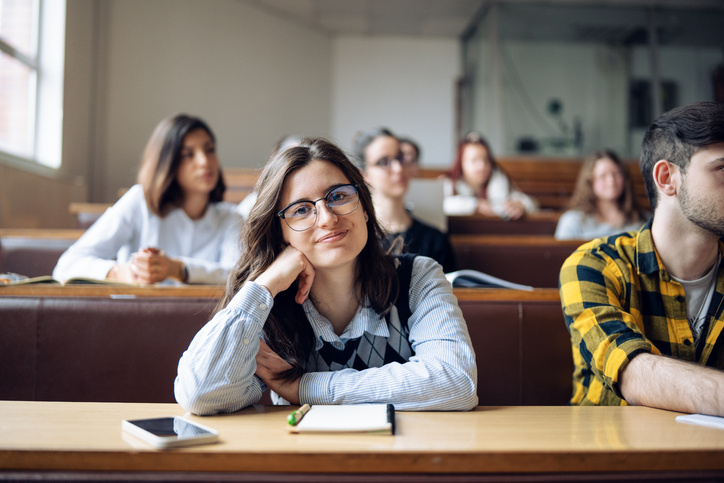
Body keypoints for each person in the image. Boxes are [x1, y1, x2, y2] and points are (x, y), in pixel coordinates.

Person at [175, 138, 478, 415]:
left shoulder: (418, 277)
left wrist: (304, 387)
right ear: (279, 233)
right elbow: (200, 394)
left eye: (338, 196)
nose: (328, 218)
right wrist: (266, 284)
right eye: (301, 210)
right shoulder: (270, 306)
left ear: (365, 209)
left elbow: (456, 381)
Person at [559, 102, 724, 416]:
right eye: (723, 168)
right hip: (614, 458)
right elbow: (634, 373)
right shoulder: (595, 265)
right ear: (666, 178)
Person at [53, 114, 242, 285]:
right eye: (188, 154)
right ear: (167, 162)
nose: (204, 161)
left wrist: (177, 269)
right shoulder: (140, 202)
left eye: (209, 150)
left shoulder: (232, 219)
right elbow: (68, 264)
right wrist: (121, 273)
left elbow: (238, 277)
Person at [352, 128, 456, 273]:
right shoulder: (355, 238)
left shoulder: (434, 239)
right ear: (363, 174)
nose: (398, 168)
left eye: (401, 157)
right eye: (384, 162)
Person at [554, 150, 648, 240]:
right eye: (603, 176)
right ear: (590, 182)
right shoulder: (572, 221)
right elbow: (561, 255)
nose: (611, 181)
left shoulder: (642, 220)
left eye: (616, 174)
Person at [443, 132, 538, 219]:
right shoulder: (448, 184)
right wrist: (475, 205)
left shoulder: (500, 180)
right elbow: (442, 204)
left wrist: (520, 205)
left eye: (485, 160)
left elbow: (531, 203)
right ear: (461, 163)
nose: (481, 166)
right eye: (474, 160)